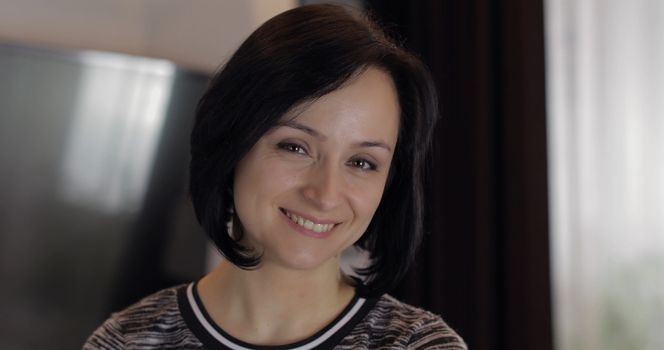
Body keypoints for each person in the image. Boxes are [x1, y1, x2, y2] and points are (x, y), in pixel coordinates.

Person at [84, 4, 466, 349]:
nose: (326, 193)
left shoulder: (419, 345)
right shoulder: (127, 340)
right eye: (295, 147)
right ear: (233, 142)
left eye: (362, 162)